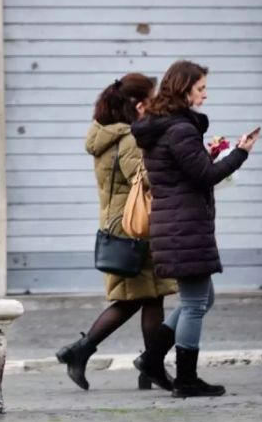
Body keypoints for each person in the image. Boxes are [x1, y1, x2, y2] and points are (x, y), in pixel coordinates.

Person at [131, 60, 258, 397]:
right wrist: (239, 153)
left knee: (201, 298)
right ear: (183, 88)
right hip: (183, 226)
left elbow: (189, 170)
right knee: (195, 304)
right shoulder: (179, 129)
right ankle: (186, 379)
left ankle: (152, 358)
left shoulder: (164, 126)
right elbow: (204, 175)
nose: (205, 94)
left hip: (178, 223)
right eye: (200, 88)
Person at [56, 73, 178, 391]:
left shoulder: (111, 136)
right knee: (137, 299)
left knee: (149, 298)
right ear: (139, 106)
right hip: (134, 229)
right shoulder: (129, 139)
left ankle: (149, 368)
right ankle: (80, 352)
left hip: (125, 226)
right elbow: (144, 179)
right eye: (151, 100)